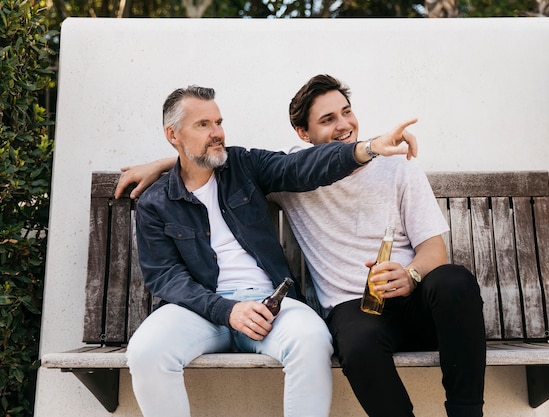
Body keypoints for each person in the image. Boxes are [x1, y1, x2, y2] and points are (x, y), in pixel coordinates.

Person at [118, 76, 486, 417]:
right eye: (204, 126)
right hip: (214, 307)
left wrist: (371, 147)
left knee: (317, 339)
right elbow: (166, 277)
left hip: (277, 301)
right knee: (146, 350)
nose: (217, 133)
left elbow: (304, 168)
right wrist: (168, 164)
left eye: (218, 123)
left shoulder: (248, 165)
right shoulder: (159, 201)